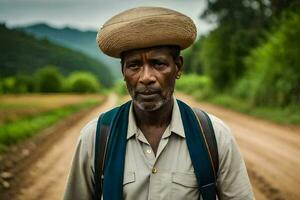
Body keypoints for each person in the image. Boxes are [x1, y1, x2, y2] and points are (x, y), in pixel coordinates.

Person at [64, 7, 254, 200]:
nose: (146, 77)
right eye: (134, 65)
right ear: (123, 72)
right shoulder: (96, 138)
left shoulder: (214, 135)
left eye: (158, 63)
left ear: (178, 67)